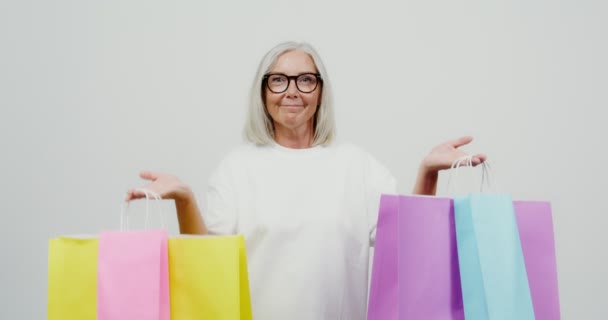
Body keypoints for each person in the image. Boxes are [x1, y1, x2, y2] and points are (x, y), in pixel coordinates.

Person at [126, 41, 486, 320]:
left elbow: (407, 244)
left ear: (320, 92)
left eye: (306, 80)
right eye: (279, 80)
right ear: (264, 92)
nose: (292, 90)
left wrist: (427, 171)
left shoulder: (356, 166)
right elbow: (205, 263)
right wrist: (184, 199)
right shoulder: (236, 169)